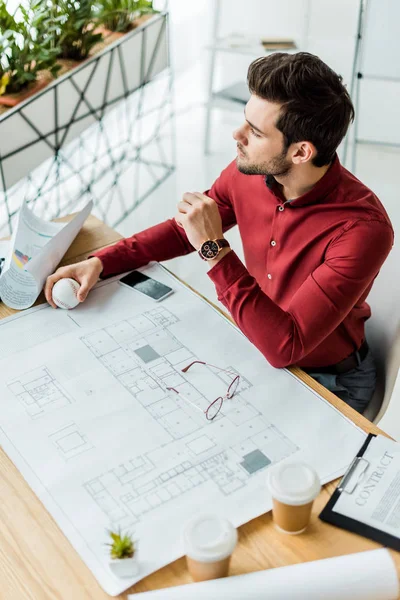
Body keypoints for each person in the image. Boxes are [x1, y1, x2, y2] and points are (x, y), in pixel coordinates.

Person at [45, 52, 394, 414]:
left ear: (301, 151)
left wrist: (215, 250)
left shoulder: (362, 229)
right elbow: (187, 231)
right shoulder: (250, 172)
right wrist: (102, 261)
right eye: (246, 121)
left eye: (255, 132)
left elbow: (284, 346)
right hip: (255, 349)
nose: (237, 135)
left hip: (329, 381)